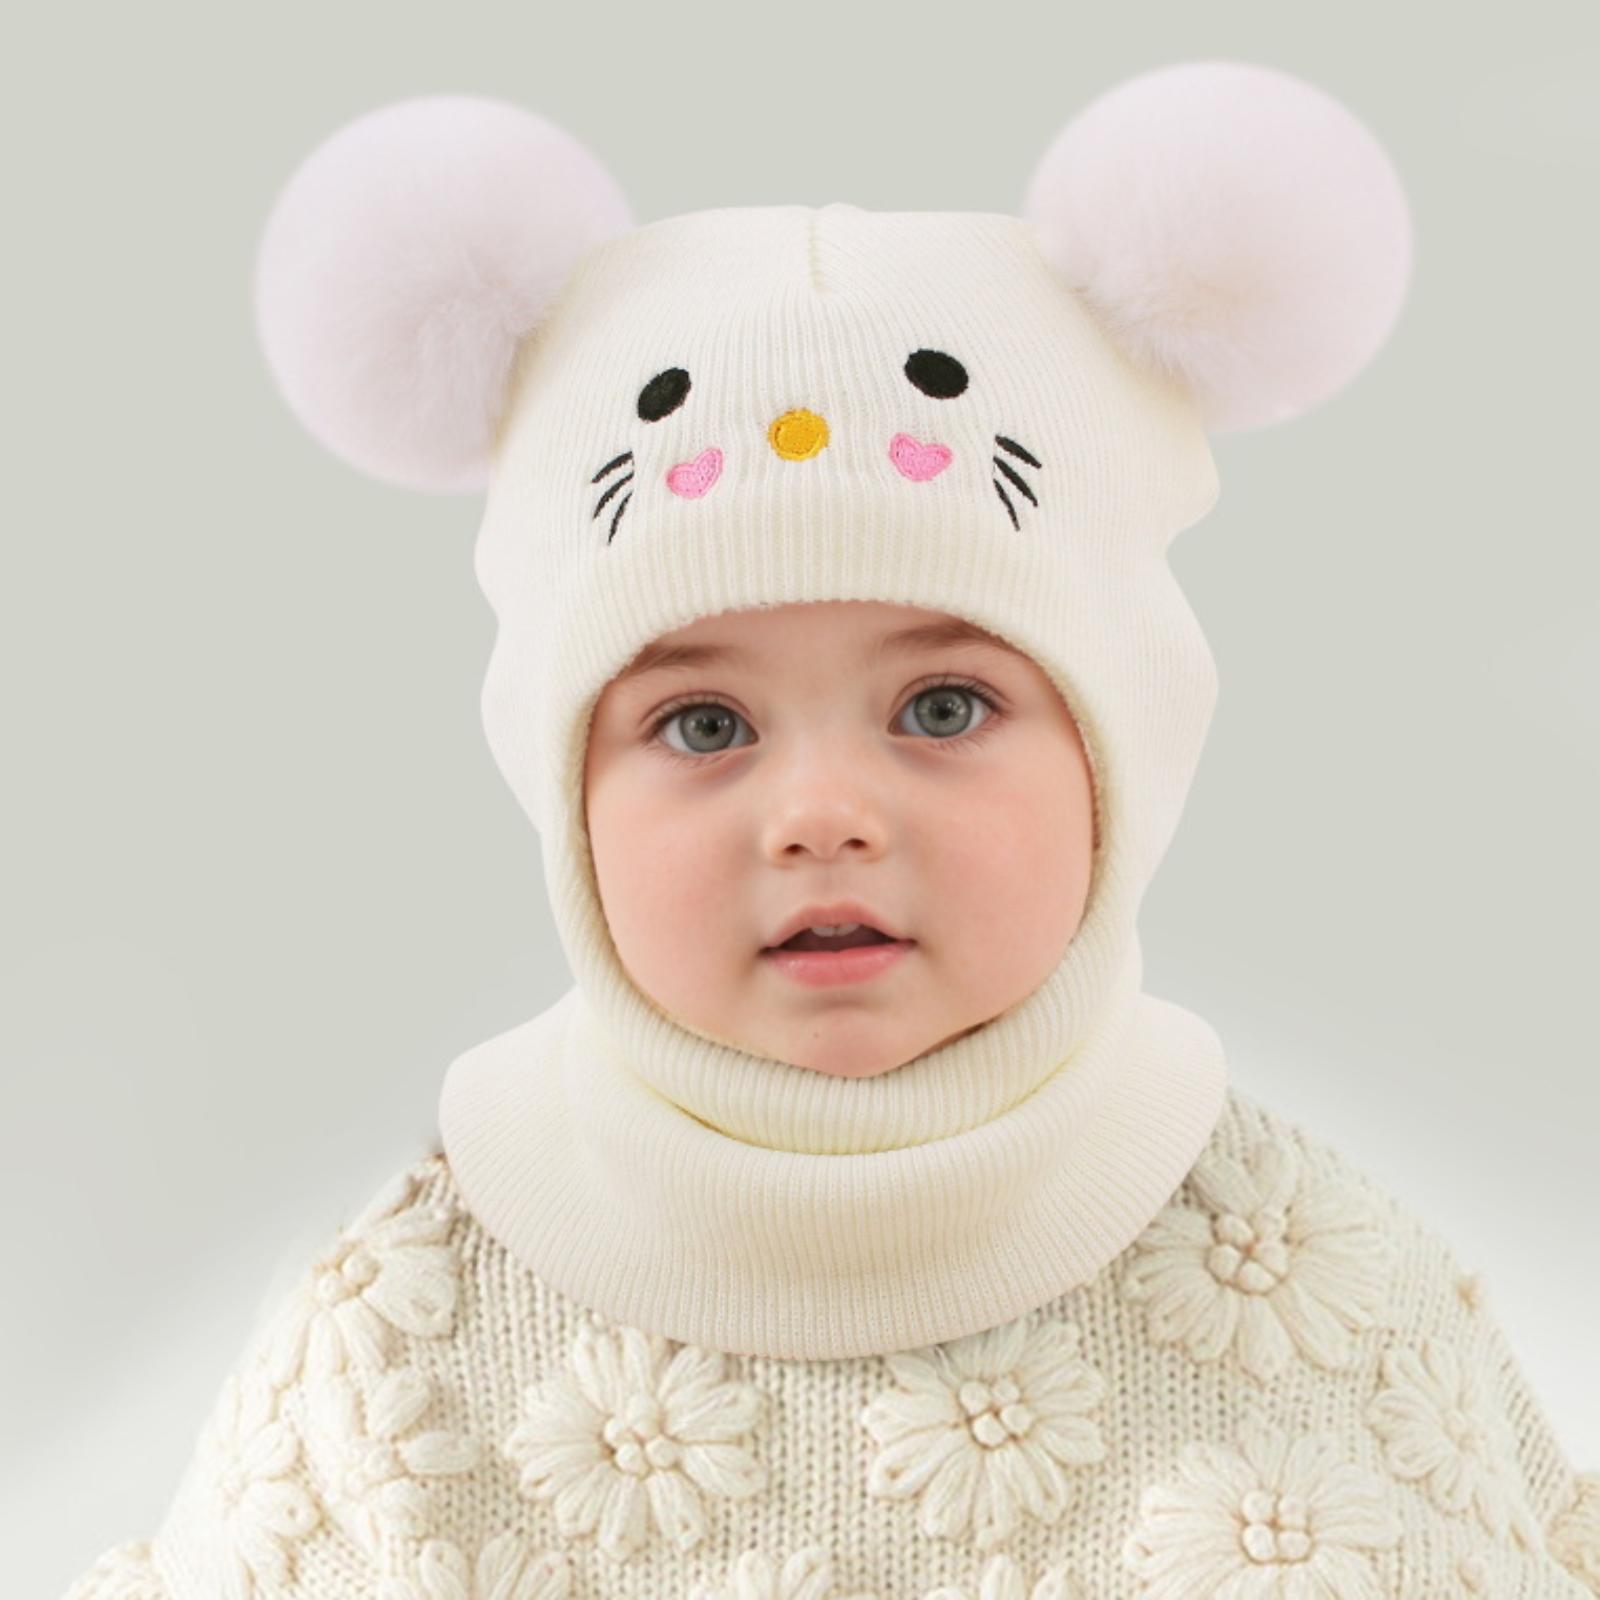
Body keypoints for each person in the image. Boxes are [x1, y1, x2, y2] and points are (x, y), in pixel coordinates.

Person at [65, 62, 1599, 1600]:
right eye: (702, 725)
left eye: (943, 705)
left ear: (1126, 744)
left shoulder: (1307, 1281)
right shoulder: (402, 1333)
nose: (820, 819)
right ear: (562, 790)